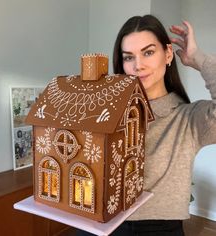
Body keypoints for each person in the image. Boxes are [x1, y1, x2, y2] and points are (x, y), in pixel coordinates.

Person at [76, 14, 216, 236]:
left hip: (156, 228)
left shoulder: (189, 119)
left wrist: (197, 58)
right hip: (96, 221)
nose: (138, 65)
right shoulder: (105, 110)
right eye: (128, 57)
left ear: (168, 53)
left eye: (148, 52)